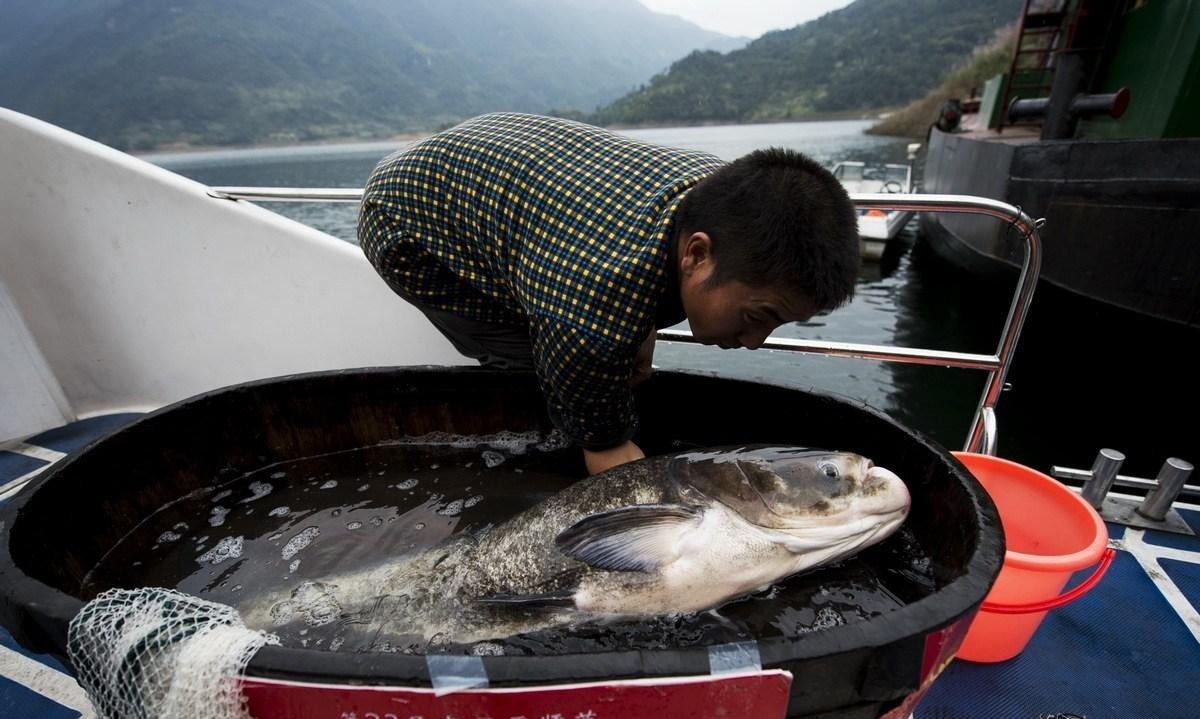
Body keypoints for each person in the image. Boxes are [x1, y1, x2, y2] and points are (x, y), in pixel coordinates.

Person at [358, 113, 859, 476]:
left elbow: (631, 291)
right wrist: (606, 445)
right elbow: (591, 367)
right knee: (538, 364)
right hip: (408, 220)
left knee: (599, 350)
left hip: (502, 168)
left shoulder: (721, 198)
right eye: (759, 316)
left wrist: (637, 333)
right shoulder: (589, 309)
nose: (754, 341)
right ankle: (527, 451)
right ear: (696, 255)